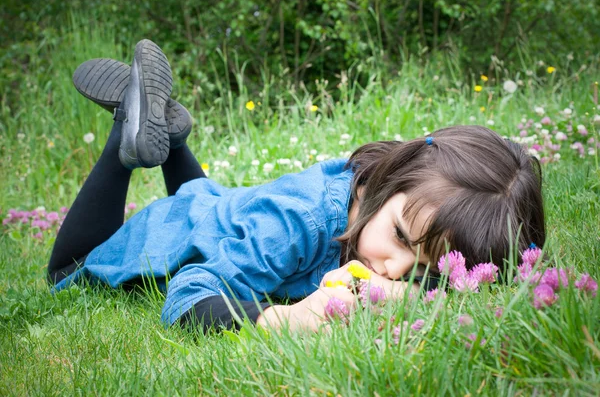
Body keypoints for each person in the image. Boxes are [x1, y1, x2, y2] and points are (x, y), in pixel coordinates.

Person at [48, 39, 546, 333]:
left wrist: (422, 295)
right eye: (400, 238)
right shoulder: (301, 221)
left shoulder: (384, 197)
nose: (396, 270)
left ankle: (174, 139)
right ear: (394, 179)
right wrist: (278, 320)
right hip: (172, 232)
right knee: (66, 272)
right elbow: (187, 297)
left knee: (210, 209)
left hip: (220, 210)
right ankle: (124, 136)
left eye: (423, 268)